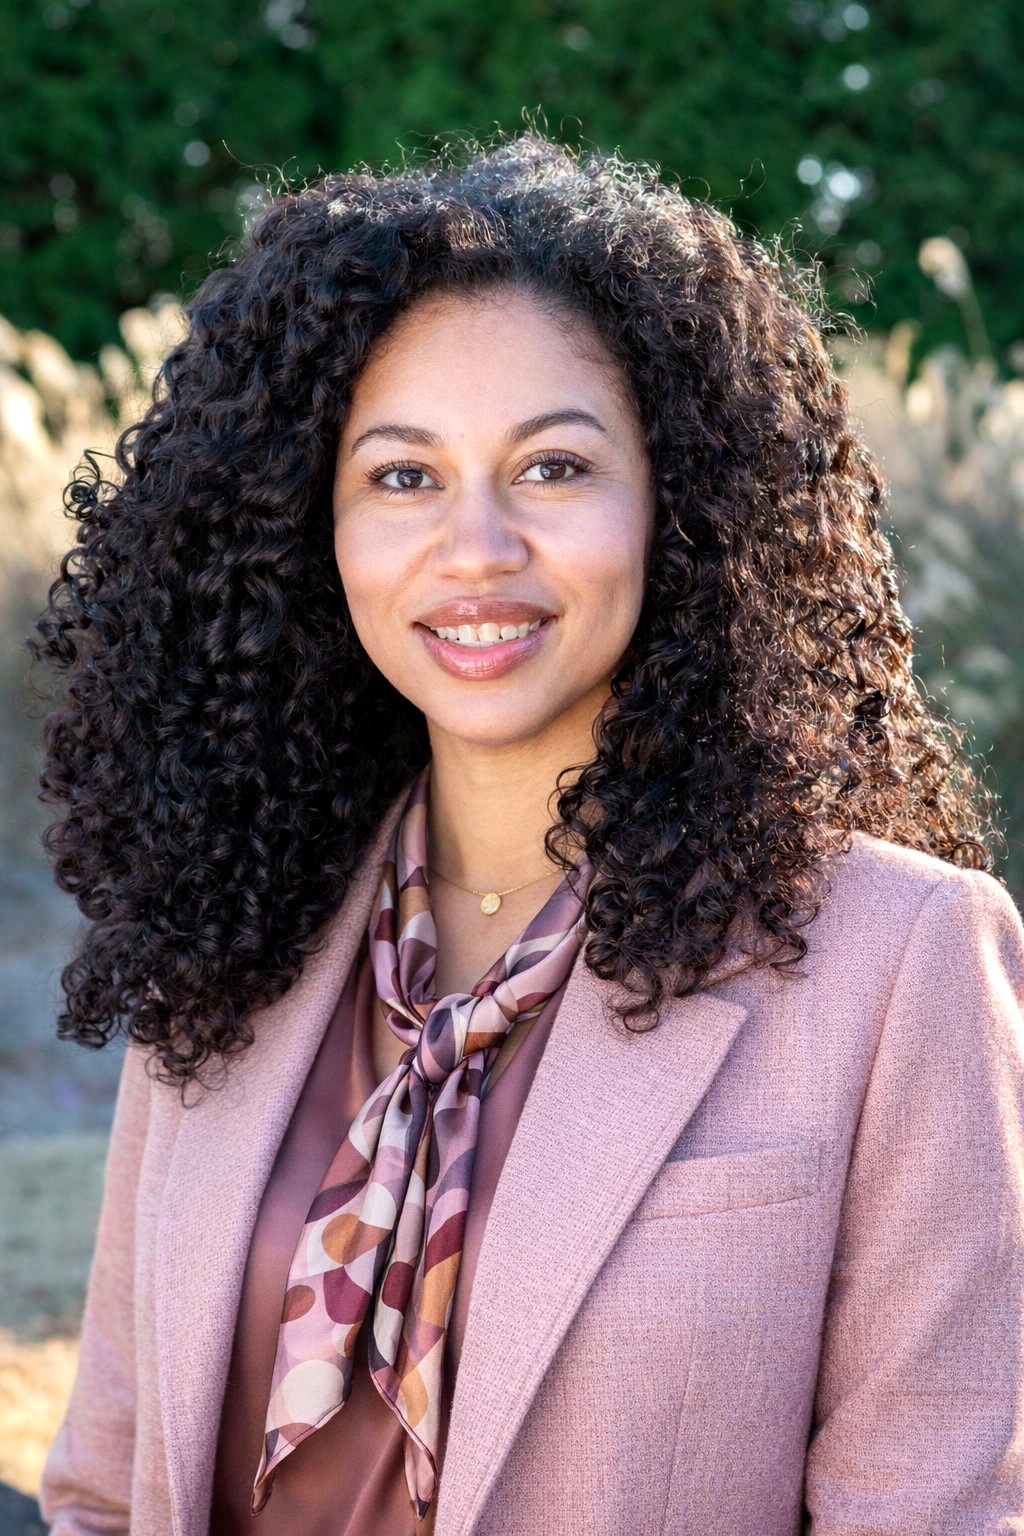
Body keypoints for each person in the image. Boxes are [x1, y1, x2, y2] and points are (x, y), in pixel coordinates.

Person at [32, 133, 1024, 1536]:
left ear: (683, 503)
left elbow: (931, 1515)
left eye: (554, 468)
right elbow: (105, 1495)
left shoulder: (897, 960)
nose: (477, 546)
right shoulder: (227, 940)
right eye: (400, 476)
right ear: (306, 528)